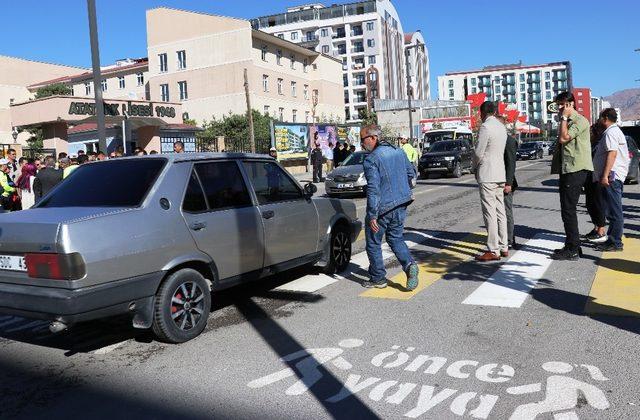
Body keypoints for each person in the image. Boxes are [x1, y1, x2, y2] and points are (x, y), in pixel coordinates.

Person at [360, 124, 419, 290]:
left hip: (382, 209)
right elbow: (412, 174)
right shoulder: (399, 152)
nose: (362, 144)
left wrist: (372, 215)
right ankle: (409, 265)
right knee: (395, 238)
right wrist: (403, 190)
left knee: (373, 243)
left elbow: (373, 188)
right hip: (401, 204)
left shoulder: (372, 159)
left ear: (373, 138)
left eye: (363, 140)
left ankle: (378, 278)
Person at [551, 92, 593, 260]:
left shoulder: (580, 120)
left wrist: (563, 119)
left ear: (570, 105)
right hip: (568, 169)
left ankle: (573, 249)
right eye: (558, 105)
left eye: (561, 105)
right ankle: (572, 245)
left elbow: (563, 138)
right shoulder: (568, 121)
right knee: (566, 209)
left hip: (575, 169)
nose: (558, 109)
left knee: (569, 210)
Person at [473, 101, 508, 261]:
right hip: (500, 173)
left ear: (482, 112)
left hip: (488, 174)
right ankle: (503, 245)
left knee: (490, 212)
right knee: (500, 210)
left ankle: (493, 249)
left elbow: (479, 152)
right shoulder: (502, 127)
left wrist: (474, 167)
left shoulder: (486, 127)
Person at [592, 108, 630, 252]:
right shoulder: (613, 132)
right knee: (612, 210)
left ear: (605, 117)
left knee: (614, 211)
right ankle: (612, 239)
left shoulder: (611, 132)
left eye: (600, 117)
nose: (599, 120)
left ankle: (615, 242)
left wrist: (604, 175)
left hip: (611, 177)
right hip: (612, 176)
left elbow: (612, 153)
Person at [584, 123, 608, 244]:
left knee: (598, 203)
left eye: (591, 131)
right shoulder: (591, 143)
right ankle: (596, 227)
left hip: (597, 176)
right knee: (590, 204)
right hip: (589, 177)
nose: (589, 134)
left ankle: (601, 231)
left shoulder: (600, 143)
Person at [499, 115, 519, 249]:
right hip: (496, 181)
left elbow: (511, 164)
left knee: (506, 211)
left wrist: (508, 183)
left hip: (506, 183)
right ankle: (502, 238)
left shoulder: (509, 141)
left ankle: (510, 239)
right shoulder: (498, 141)